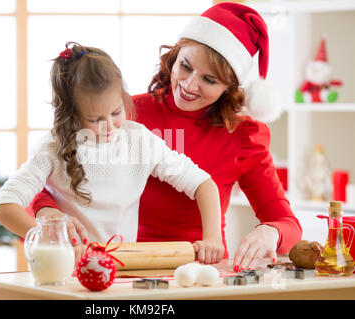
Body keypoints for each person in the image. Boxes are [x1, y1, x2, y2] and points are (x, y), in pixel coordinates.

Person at [31, 3, 303, 272]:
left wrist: (270, 233)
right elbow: (45, 182)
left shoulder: (243, 136)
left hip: (200, 272)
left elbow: (287, 223)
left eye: (209, 80)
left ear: (230, 88)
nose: (189, 84)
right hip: (119, 264)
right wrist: (48, 213)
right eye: (185, 66)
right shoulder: (124, 115)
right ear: (174, 57)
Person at [0, 42, 225, 264]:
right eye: (95, 119)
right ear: (71, 115)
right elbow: (3, 205)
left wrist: (212, 238)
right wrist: (48, 237)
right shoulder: (52, 148)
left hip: (122, 267)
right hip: (67, 269)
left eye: (116, 112)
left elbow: (203, 184)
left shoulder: (139, 139)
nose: (110, 126)